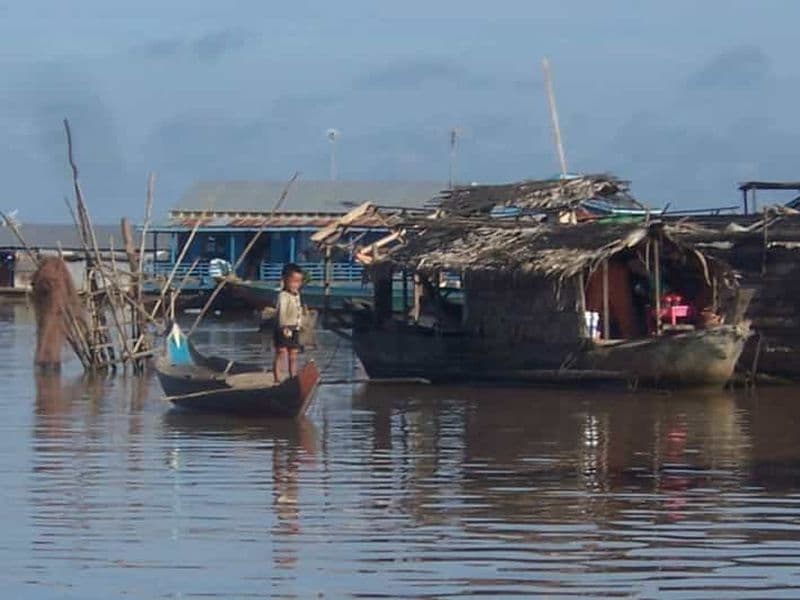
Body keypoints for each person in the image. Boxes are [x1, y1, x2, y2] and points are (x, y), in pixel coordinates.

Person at [272, 263, 304, 381]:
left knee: (293, 354)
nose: (296, 285)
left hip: (294, 327)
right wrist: (284, 327)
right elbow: (282, 313)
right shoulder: (283, 295)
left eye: (299, 282)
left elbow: (298, 310)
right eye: (293, 281)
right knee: (281, 351)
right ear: (285, 280)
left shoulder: (297, 295)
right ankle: (277, 377)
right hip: (283, 328)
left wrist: (299, 325)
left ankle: (293, 377)